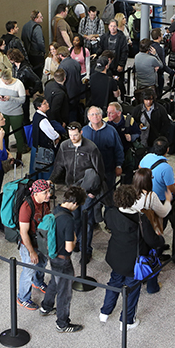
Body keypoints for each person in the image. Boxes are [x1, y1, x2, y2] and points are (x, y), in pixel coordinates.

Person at [100, 185, 165, 330]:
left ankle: (105, 312)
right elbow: (152, 240)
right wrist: (161, 241)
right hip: (134, 262)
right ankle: (127, 320)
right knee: (132, 289)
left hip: (115, 257)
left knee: (114, 282)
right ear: (134, 199)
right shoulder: (141, 219)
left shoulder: (110, 213)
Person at [50, 122, 105, 260]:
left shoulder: (91, 148)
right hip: (71, 189)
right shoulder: (64, 146)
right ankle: (78, 242)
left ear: (81, 132)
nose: (73, 138)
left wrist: (95, 190)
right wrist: (51, 180)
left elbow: (99, 171)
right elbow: (59, 166)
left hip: (87, 191)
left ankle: (86, 249)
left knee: (87, 220)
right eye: (70, 135)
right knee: (74, 219)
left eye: (75, 135)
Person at [39, 186, 87, 333]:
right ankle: (62, 323)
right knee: (65, 292)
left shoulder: (56, 210)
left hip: (52, 255)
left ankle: (45, 307)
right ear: (75, 203)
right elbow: (69, 248)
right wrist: (73, 238)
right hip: (63, 259)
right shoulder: (68, 220)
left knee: (54, 280)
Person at [131, 168, 170, 290]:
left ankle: (138, 276)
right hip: (146, 229)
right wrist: (168, 201)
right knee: (151, 256)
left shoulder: (130, 193)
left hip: (131, 230)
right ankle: (152, 286)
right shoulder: (150, 196)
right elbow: (163, 213)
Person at [16, 179, 52, 311]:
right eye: (45, 192)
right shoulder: (26, 207)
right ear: (35, 194)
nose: (48, 194)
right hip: (28, 242)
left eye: (48, 191)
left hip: (40, 240)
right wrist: (31, 252)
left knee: (42, 262)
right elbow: (24, 233)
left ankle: (38, 282)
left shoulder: (44, 203)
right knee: (29, 268)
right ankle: (22, 298)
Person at [83, 106, 124, 190]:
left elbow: (118, 149)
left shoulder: (111, 130)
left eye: (97, 114)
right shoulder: (84, 131)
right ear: (88, 117)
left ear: (101, 116)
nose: (95, 116)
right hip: (90, 171)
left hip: (108, 169)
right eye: (92, 114)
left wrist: (119, 165)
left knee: (109, 194)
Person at [138, 137, 175, 201]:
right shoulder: (166, 168)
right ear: (167, 150)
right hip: (159, 199)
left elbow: (140, 168)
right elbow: (171, 189)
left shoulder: (147, 156)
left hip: (145, 194)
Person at [0, 68, 27, 158]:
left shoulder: (18, 84)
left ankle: (19, 155)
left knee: (18, 135)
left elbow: (23, 99)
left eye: (7, 81)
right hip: (2, 112)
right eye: (4, 81)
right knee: (3, 134)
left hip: (16, 113)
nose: (5, 83)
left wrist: (11, 98)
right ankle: (5, 154)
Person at [9, 48, 42, 137]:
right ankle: (22, 139)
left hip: (24, 96)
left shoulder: (26, 68)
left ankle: (27, 139)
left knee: (25, 119)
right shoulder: (15, 67)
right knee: (19, 119)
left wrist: (31, 91)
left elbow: (37, 81)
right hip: (17, 95)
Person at [105, 102, 141, 183]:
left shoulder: (129, 121)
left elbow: (138, 133)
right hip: (111, 155)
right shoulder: (104, 123)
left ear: (119, 113)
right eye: (107, 112)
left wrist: (131, 137)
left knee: (127, 178)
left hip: (127, 153)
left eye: (111, 113)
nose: (108, 115)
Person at [30, 95, 60, 179]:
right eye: (44, 103)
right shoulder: (43, 120)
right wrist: (58, 136)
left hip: (36, 147)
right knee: (45, 172)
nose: (47, 104)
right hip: (43, 151)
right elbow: (52, 135)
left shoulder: (36, 115)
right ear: (39, 107)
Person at [98, 19, 129, 96]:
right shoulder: (104, 37)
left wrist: (121, 64)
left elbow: (124, 52)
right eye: (111, 26)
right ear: (108, 27)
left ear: (117, 27)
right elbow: (101, 48)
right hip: (107, 64)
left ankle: (123, 97)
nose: (112, 28)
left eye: (114, 26)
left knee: (119, 81)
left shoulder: (121, 37)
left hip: (117, 63)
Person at [57, 46, 84, 123]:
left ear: (60, 55)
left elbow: (61, 81)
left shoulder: (62, 66)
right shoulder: (76, 63)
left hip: (68, 94)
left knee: (69, 114)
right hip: (77, 92)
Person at [150, 28, 175, 95]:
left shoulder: (149, 46)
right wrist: (172, 73)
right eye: (162, 35)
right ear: (159, 37)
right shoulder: (159, 49)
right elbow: (163, 65)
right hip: (158, 75)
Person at [22, 10, 46, 77]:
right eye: (40, 17)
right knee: (38, 74)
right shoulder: (37, 28)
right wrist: (44, 51)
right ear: (36, 19)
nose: (42, 18)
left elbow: (22, 38)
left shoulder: (25, 26)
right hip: (37, 54)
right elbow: (40, 42)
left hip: (28, 54)